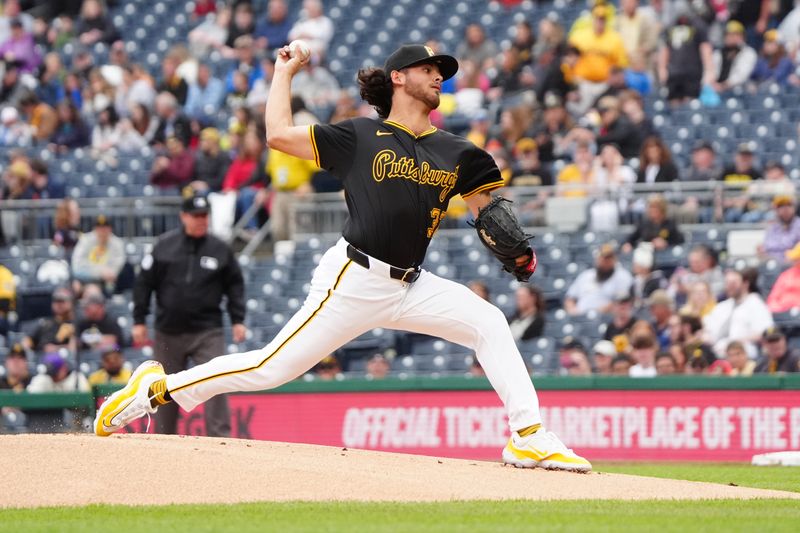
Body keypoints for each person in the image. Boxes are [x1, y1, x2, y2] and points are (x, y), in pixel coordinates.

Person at [95, 43, 591, 472]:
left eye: (442, 70)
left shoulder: (460, 152)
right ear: (398, 77)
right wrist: (284, 73)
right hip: (353, 279)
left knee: (489, 322)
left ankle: (527, 434)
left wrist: (515, 249)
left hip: (412, 285)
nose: (439, 75)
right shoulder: (357, 136)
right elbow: (277, 134)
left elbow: (491, 214)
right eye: (428, 68)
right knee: (270, 368)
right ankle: (155, 390)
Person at [129, 191, 246, 438]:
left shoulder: (219, 249)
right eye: (196, 215)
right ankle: (164, 440)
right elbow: (144, 283)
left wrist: (238, 319)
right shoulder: (164, 246)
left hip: (207, 330)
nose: (201, 220)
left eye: (205, 215)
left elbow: (235, 286)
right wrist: (139, 320)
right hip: (168, 331)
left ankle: (221, 441)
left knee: (214, 382)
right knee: (163, 389)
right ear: (183, 216)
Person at [704, 268, 774, 358]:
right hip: (716, 350)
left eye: (733, 283)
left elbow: (764, 332)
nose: (729, 287)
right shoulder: (722, 306)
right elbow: (708, 329)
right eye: (727, 283)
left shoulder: (756, 304)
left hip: (743, 350)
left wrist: (735, 342)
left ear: (745, 284)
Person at [565, 243, 634, 316]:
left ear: (614, 259)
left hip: (606, 318)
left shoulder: (622, 276)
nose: (605, 262)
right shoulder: (586, 275)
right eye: (602, 258)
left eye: (608, 258)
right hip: (580, 316)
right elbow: (570, 298)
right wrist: (572, 310)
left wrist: (597, 312)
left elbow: (623, 301)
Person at [71, 215, 126, 292]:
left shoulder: (117, 244)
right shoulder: (86, 240)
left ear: (110, 228)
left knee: (94, 290)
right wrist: (100, 272)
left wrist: (100, 273)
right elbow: (77, 267)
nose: (102, 231)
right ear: (95, 228)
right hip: (85, 279)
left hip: (106, 283)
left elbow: (113, 272)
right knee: (76, 285)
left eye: (105, 227)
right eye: (99, 228)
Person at [23, 286, 76, 355]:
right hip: (41, 360)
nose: (59, 304)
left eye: (62, 301)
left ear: (71, 303)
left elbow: (77, 349)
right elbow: (27, 341)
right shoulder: (44, 323)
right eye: (56, 301)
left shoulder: (76, 324)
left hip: (64, 361)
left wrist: (56, 348)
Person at [710, 21, 757, 94]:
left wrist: (724, 86)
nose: (729, 37)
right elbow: (711, 72)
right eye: (727, 34)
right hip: (716, 89)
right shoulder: (718, 52)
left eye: (733, 34)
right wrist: (712, 84)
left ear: (741, 36)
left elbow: (741, 76)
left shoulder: (748, 52)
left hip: (739, 90)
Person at [761, 195, 800, 260]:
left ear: (794, 208)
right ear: (776, 210)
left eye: (789, 205)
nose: (785, 209)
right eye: (781, 206)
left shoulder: (798, 225)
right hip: (773, 263)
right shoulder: (773, 227)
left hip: (793, 264)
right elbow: (766, 248)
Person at [766, 243, 800, 313]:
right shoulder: (786, 275)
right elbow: (773, 298)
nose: (795, 261)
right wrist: (777, 308)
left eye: (797, 258)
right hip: (782, 314)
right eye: (795, 259)